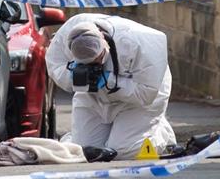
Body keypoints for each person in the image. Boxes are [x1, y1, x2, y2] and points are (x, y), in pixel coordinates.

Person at [46, 14, 176, 160]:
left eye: (98, 59)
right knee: (86, 152)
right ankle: (76, 138)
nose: (95, 65)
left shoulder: (143, 43)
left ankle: (161, 134)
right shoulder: (68, 32)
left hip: (141, 98)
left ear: (104, 39)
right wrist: (73, 76)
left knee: (122, 152)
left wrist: (110, 82)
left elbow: (146, 93)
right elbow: (54, 64)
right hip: (93, 95)